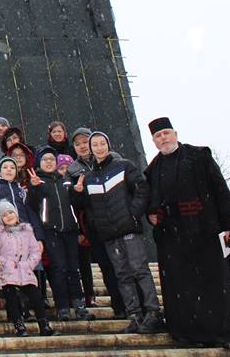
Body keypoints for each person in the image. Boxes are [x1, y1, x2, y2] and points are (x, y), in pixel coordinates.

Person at [144, 117, 230, 350]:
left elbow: (220, 190)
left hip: (204, 229)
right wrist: (151, 214)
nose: (163, 138)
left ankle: (227, 333)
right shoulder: (153, 169)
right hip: (173, 236)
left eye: (166, 133)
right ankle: (192, 333)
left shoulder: (199, 156)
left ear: (175, 133)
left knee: (216, 281)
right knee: (182, 286)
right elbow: (150, 201)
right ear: (154, 141)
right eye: (158, 136)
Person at [75, 131, 163, 334]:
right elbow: (86, 207)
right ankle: (135, 315)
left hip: (128, 228)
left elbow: (142, 189)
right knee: (122, 274)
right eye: (94, 144)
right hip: (109, 234)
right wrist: (78, 195)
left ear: (108, 144)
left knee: (139, 270)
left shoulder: (123, 166)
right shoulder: (89, 177)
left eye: (101, 143)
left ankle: (152, 312)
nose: (98, 147)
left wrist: (133, 214)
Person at [26, 146, 93, 321]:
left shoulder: (65, 181)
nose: (49, 162)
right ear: (39, 163)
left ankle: (79, 305)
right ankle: (62, 306)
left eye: (51, 159)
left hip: (70, 230)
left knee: (73, 268)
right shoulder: (37, 182)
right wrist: (33, 189)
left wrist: (79, 193)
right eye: (45, 159)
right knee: (58, 268)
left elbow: (75, 205)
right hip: (51, 231)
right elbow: (32, 207)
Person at [66, 127, 123, 315]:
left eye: (85, 142)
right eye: (78, 144)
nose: (83, 146)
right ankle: (120, 307)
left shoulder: (113, 160)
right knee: (107, 266)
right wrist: (78, 192)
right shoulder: (73, 171)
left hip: (118, 219)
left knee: (125, 266)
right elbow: (73, 204)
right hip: (94, 223)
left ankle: (137, 306)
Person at [0, 200, 56, 337]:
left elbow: (35, 251)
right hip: (6, 271)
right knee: (11, 297)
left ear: (16, 214)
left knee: (36, 296)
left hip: (24, 270)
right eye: (4, 215)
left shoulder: (27, 232)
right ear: (1, 219)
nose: (9, 216)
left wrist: (29, 263)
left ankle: (44, 324)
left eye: (11, 212)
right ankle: (19, 325)